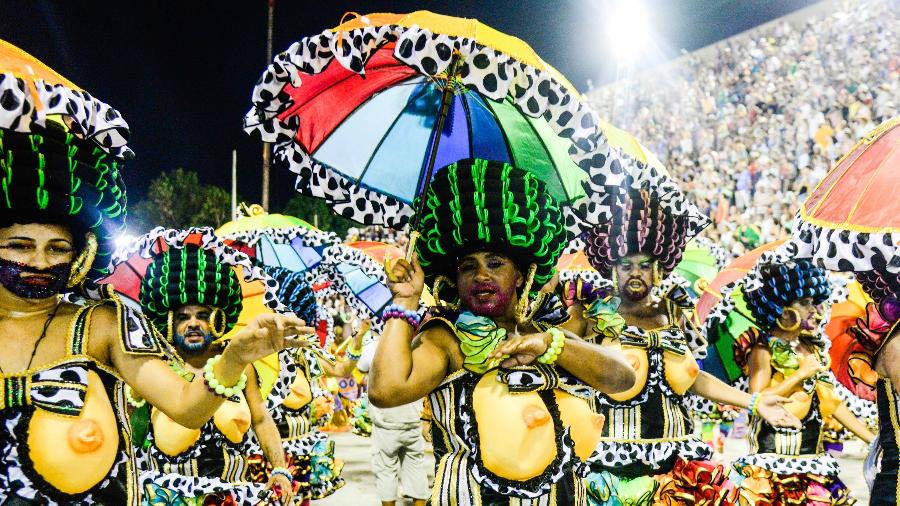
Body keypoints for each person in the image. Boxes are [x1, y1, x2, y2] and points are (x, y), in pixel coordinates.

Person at [0, 97, 307, 504]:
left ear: (82, 252)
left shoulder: (101, 324)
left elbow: (187, 407)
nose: (40, 261)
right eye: (21, 246)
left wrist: (235, 357)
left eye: (57, 248)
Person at [370, 158, 636, 504]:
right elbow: (386, 391)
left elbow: (622, 380)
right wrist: (404, 300)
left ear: (521, 275)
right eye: (469, 267)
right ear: (455, 280)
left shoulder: (545, 333)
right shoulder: (447, 339)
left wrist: (551, 346)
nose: (481, 275)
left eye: (495, 263)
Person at [570, 156, 800, 505]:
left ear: (657, 268)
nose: (635, 273)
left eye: (644, 265)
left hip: (678, 465)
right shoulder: (590, 313)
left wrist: (754, 402)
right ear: (611, 268)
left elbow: (692, 377)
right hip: (611, 468)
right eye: (626, 265)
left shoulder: (673, 311)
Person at [129, 232, 301, 505]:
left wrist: (279, 468)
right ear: (170, 322)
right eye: (184, 317)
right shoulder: (156, 368)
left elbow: (260, 418)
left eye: (202, 315)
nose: (193, 324)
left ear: (218, 319)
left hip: (236, 496)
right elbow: (131, 437)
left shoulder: (238, 364)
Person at [711, 257, 874, 504]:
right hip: (770, 469)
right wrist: (799, 375)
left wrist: (872, 440)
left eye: (815, 302)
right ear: (781, 308)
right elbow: (758, 399)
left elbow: (834, 404)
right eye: (804, 302)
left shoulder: (812, 350)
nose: (814, 310)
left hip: (812, 466)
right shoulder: (762, 350)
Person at [243, 266, 346, 503]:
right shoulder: (252, 357)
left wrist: (359, 341)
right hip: (262, 456)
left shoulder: (305, 353)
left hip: (299, 454)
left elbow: (340, 370)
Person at [358, 338, 429, 506]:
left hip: (386, 425)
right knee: (416, 469)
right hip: (413, 422)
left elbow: (361, 368)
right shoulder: (419, 345)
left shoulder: (374, 346)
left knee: (385, 472)